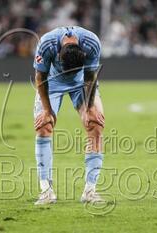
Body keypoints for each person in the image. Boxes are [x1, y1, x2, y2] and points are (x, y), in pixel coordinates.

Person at [33, 26, 105, 205]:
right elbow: (40, 78)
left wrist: (89, 108)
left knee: (95, 124)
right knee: (43, 127)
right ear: (58, 56)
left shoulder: (92, 43)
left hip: (81, 83)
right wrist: (47, 111)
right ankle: (46, 191)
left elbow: (90, 76)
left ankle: (90, 191)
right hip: (52, 82)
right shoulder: (46, 44)